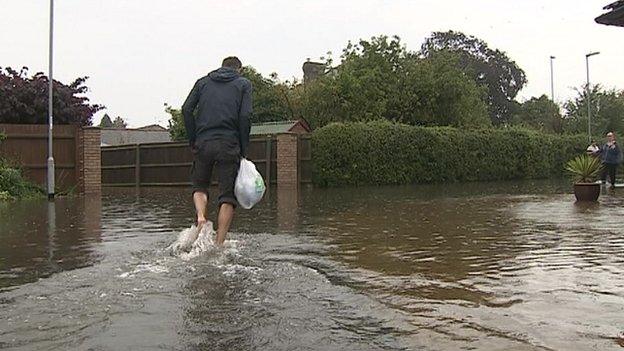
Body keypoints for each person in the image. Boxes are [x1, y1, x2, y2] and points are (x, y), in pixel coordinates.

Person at [182, 56, 252, 246]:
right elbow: (245, 115)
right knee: (227, 196)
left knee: (199, 185)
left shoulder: (202, 83)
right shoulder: (243, 84)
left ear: (221, 66)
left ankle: (201, 216)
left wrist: (193, 139)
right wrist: (244, 149)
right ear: (239, 69)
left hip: (203, 142)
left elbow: (186, 109)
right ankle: (219, 244)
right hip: (229, 144)